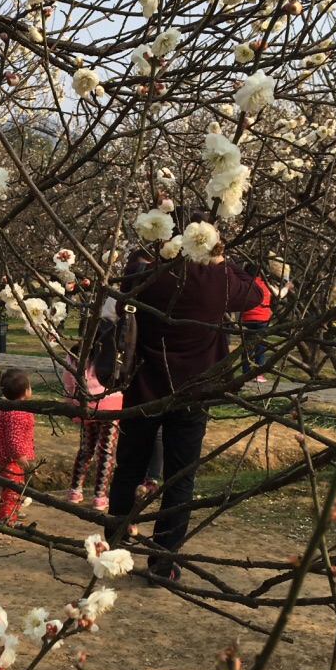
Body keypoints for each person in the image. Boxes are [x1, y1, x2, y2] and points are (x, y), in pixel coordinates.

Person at [107, 238, 260, 580]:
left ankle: (115, 548)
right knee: (180, 477)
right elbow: (255, 294)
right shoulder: (216, 280)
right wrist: (225, 261)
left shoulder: (143, 272)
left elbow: (120, 308)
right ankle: (163, 560)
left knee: (130, 466)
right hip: (195, 389)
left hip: (145, 387)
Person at [62, 306, 123, 511]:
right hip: (112, 406)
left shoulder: (74, 354)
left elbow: (69, 383)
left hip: (85, 405)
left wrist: (71, 405)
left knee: (86, 448)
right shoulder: (113, 352)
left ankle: (75, 490)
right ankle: (99, 496)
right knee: (106, 451)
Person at [0, 368, 34, 524]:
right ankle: (7, 517)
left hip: (6, 454)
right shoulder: (16, 412)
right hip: (9, 456)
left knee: (16, 483)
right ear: (26, 391)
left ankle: (14, 509)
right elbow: (14, 438)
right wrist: (21, 454)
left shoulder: (9, 407)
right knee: (12, 486)